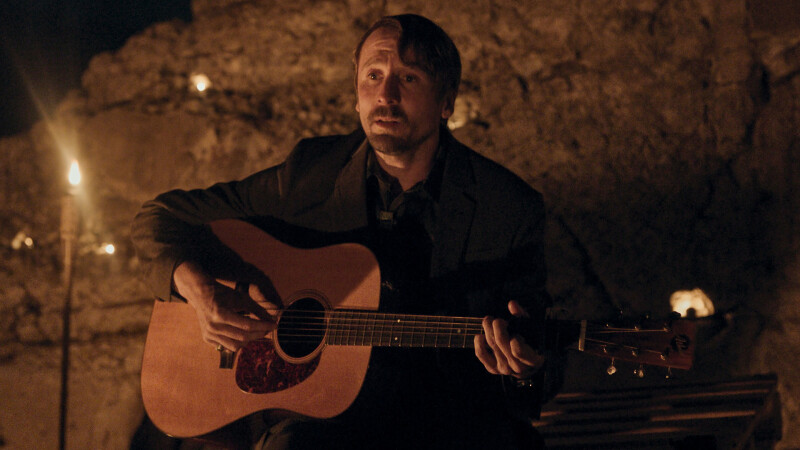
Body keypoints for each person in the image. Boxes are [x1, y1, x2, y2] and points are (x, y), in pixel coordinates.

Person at [132, 14, 554, 449]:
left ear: (446, 102)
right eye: (373, 75)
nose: (385, 94)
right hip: (322, 422)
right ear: (356, 94)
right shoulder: (310, 173)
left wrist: (524, 370)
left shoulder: (507, 207)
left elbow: (537, 368)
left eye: (408, 78)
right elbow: (160, 216)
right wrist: (202, 294)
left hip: (448, 420)